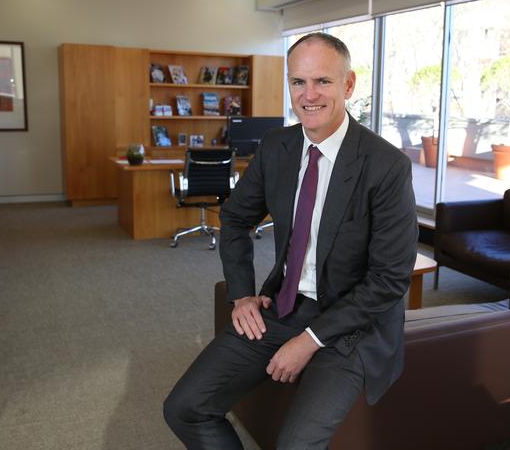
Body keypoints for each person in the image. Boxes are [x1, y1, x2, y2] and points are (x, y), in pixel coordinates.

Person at [164, 32, 418, 449]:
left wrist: (310, 340)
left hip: (352, 327)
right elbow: (235, 216)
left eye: (323, 81)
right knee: (184, 408)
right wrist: (242, 294)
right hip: (282, 306)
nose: (309, 94)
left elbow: (389, 280)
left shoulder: (386, 166)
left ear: (349, 85)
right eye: (298, 82)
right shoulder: (277, 146)